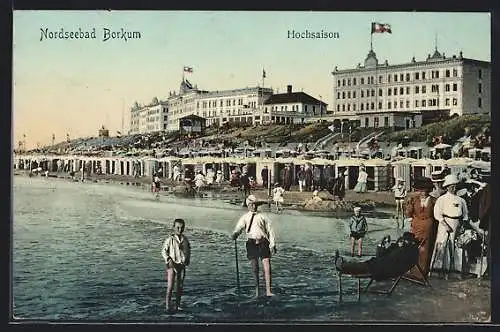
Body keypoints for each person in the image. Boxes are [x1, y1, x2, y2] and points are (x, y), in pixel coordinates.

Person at [232, 195, 277, 297]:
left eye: (255, 204)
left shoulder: (263, 216)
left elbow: (270, 231)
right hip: (251, 243)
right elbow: (239, 228)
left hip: (263, 242)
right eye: (251, 204)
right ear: (248, 206)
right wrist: (235, 234)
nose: (253, 206)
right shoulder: (245, 217)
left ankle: (268, 290)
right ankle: (257, 292)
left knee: (267, 266)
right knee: (255, 268)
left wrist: (273, 244)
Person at [430, 174, 469, 279]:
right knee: (442, 245)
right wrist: (444, 224)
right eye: (452, 186)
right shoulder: (442, 199)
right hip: (445, 223)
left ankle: (454, 270)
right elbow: (437, 214)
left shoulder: (461, 200)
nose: (454, 188)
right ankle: (438, 270)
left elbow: (465, 215)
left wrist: (462, 225)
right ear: (447, 187)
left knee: (456, 247)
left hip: (457, 224)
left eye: (455, 186)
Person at [404, 177, 438, 281]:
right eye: (420, 190)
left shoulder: (434, 200)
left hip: (428, 226)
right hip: (416, 225)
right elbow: (408, 214)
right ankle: (412, 271)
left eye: (424, 190)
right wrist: (408, 207)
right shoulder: (413, 200)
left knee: (425, 249)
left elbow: (436, 215)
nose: (422, 192)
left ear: (428, 190)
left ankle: (422, 273)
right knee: (414, 247)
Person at [161, 218, 191, 313]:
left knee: (180, 286)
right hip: (172, 265)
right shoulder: (170, 239)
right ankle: (167, 305)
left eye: (181, 228)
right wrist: (168, 259)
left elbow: (188, 251)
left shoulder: (185, 240)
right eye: (177, 227)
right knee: (170, 286)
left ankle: (178, 305)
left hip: (181, 265)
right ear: (173, 227)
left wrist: (187, 260)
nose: (179, 230)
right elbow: (163, 251)